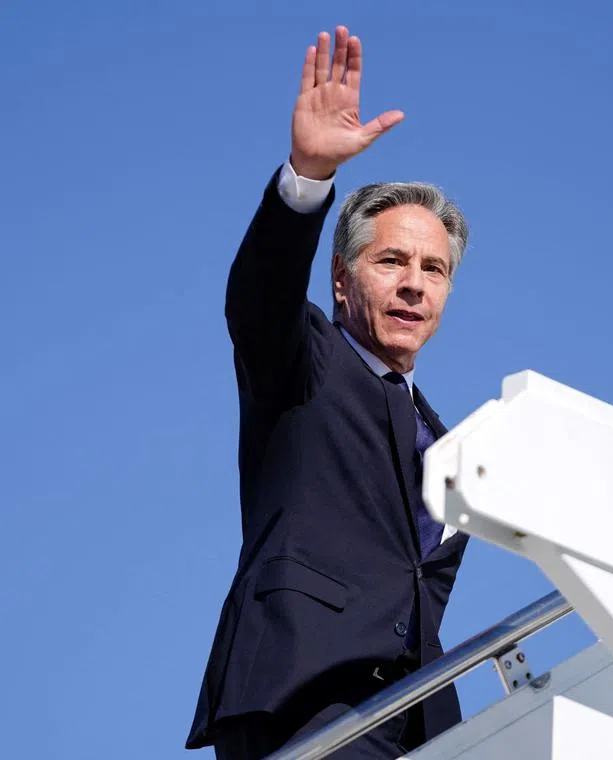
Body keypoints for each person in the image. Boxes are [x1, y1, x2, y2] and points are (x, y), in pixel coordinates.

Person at [185, 25, 471, 759]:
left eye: (434, 270)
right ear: (342, 281)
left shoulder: (447, 442)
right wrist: (307, 177)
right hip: (300, 696)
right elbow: (260, 295)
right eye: (392, 261)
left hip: (418, 724)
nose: (414, 284)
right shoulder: (305, 361)